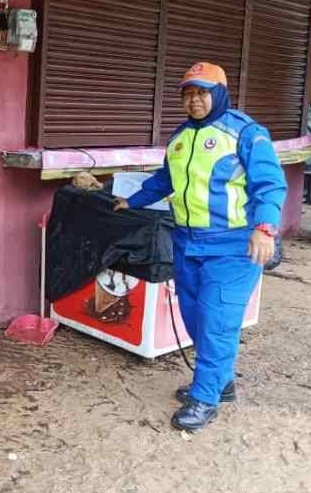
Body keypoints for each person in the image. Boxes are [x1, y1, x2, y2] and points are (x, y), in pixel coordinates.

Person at [114, 62, 287, 432]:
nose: (194, 100)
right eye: (188, 93)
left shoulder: (245, 132)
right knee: (194, 318)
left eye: (202, 93)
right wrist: (134, 201)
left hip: (233, 247)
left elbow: (270, 185)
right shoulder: (179, 138)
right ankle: (220, 383)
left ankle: (205, 398)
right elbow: (165, 180)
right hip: (187, 244)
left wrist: (265, 228)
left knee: (216, 324)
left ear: (220, 93)